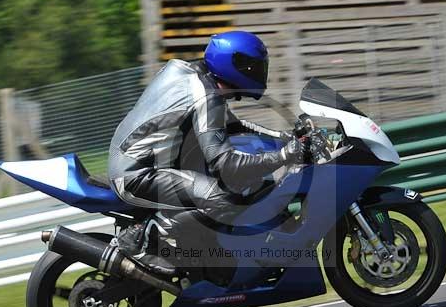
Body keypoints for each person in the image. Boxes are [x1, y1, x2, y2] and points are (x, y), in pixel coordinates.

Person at [107, 31, 305, 280]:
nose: (258, 71)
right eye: (253, 66)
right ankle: (144, 238)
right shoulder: (205, 95)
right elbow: (226, 164)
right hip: (137, 174)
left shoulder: (199, 79)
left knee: (242, 182)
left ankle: (206, 256)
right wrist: (284, 156)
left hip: (145, 163)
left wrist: (285, 137)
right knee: (224, 196)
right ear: (234, 64)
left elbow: (234, 126)